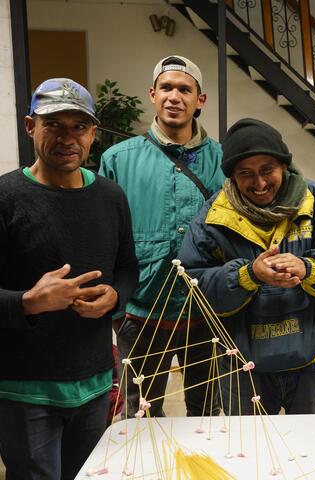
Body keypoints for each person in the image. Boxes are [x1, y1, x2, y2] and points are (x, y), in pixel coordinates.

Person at [179, 118, 315, 415]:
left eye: (267, 170)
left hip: (312, 363)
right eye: (246, 174)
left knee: (313, 452)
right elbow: (191, 284)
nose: (259, 184)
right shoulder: (213, 217)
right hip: (243, 368)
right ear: (232, 176)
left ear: (284, 165)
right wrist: (248, 275)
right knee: (251, 456)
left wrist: (310, 268)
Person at [0, 78, 138, 479]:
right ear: (30, 127)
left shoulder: (111, 197)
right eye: (54, 125)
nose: (68, 137)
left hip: (94, 385)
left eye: (79, 127)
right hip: (24, 392)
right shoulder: (6, 198)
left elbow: (129, 268)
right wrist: (29, 302)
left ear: (93, 133)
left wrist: (114, 296)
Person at [100, 55, 225, 418]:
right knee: (140, 416)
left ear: (199, 100)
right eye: (167, 88)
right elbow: (107, 238)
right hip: (140, 316)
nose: (175, 96)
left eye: (185, 89)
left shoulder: (224, 160)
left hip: (206, 316)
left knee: (207, 415)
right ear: (153, 95)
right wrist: (117, 310)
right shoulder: (117, 160)